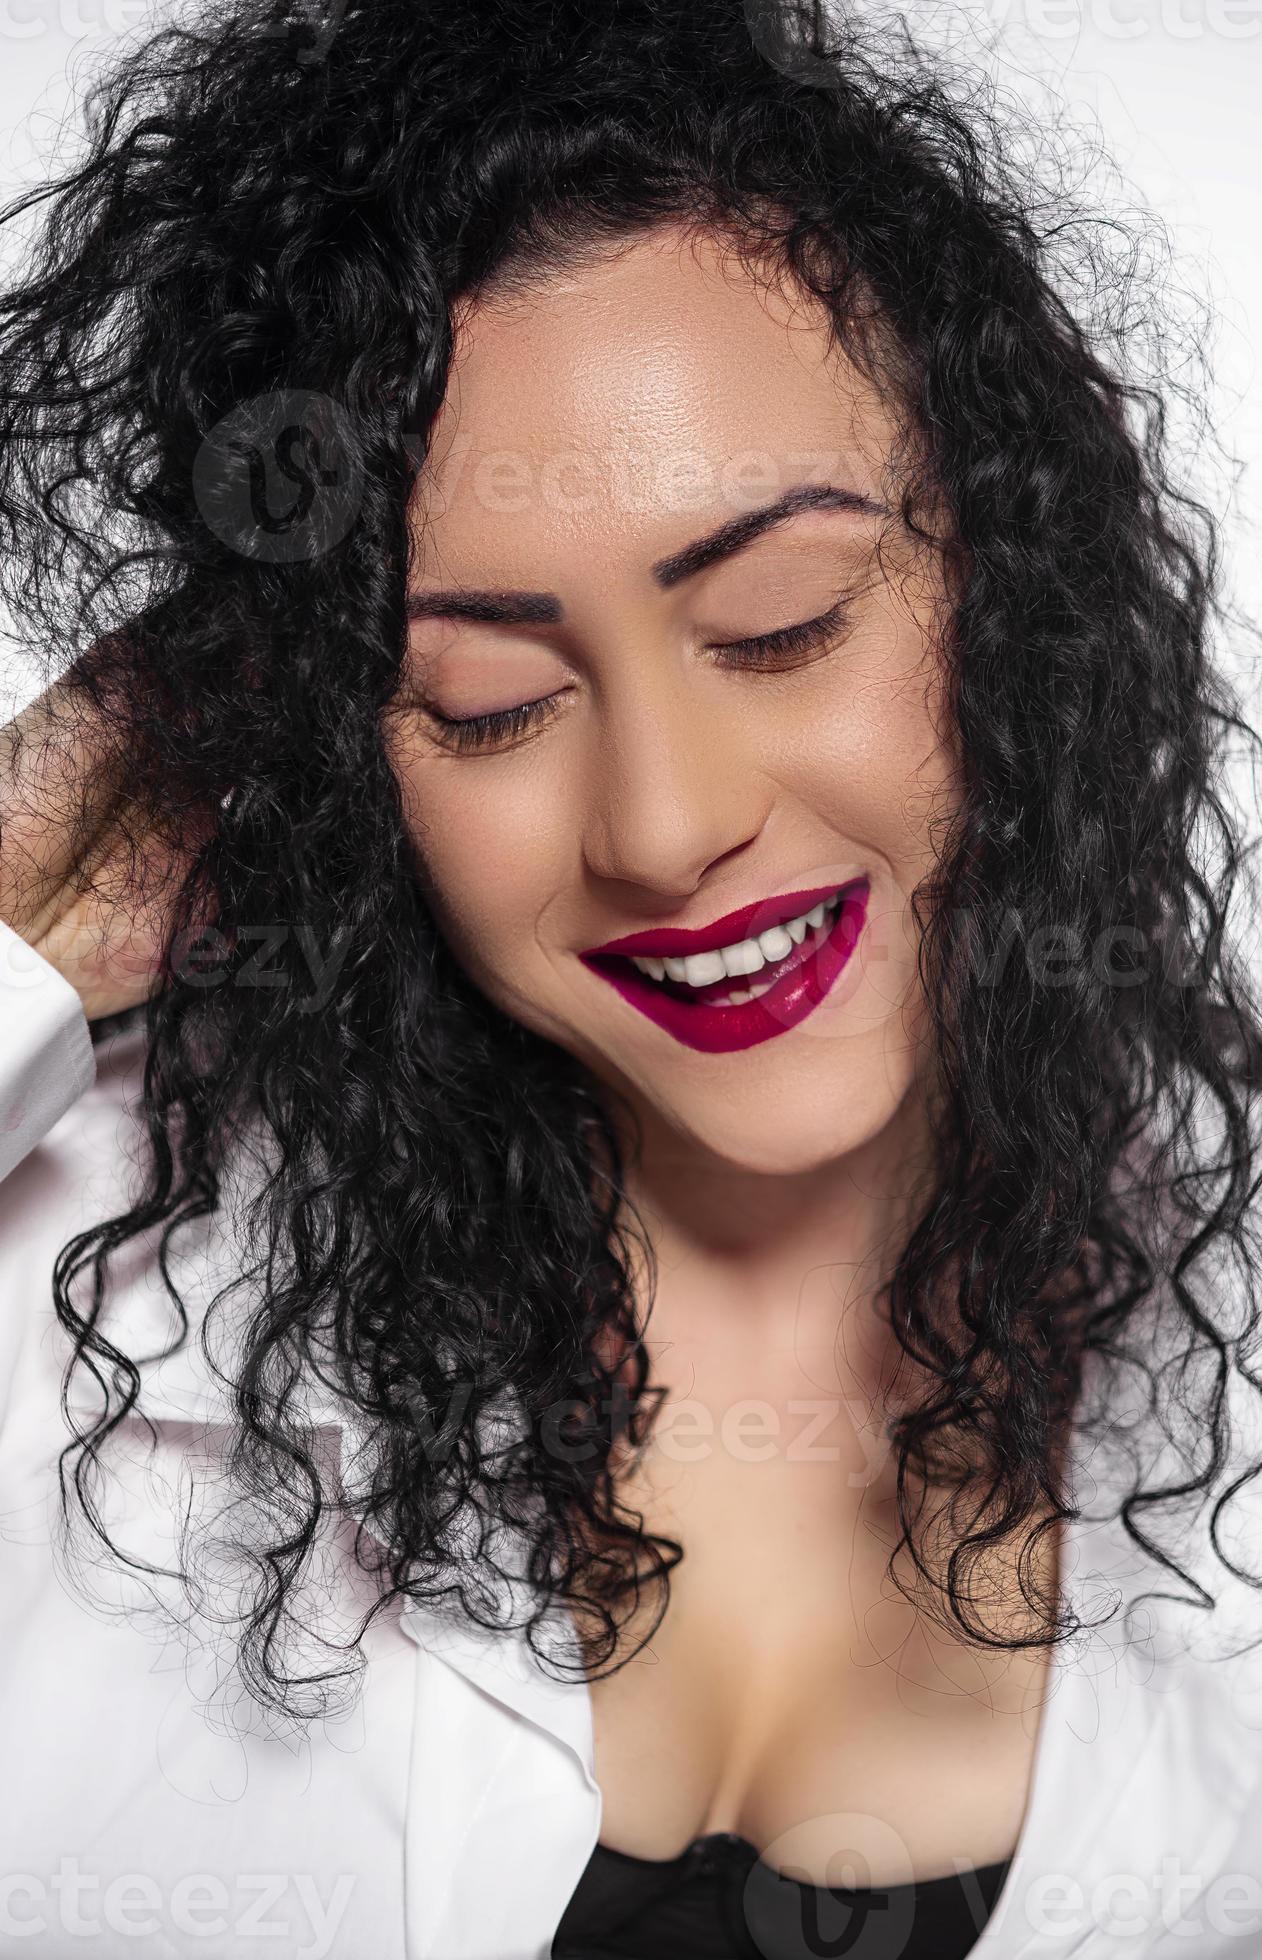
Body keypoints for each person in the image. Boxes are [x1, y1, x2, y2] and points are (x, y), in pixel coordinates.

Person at [1, 0, 1261, 1955]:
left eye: (778, 621)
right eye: (490, 704)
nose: (664, 823)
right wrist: (16, 917)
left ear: (1011, 586)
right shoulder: (70, 1297)